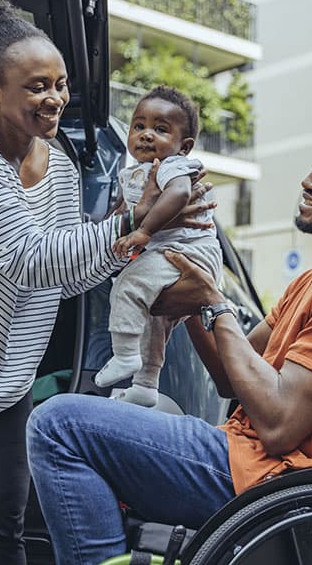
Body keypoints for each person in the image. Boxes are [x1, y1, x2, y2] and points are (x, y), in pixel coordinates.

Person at [27, 123, 312, 564]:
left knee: (58, 425)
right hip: (247, 459)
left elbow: (278, 425)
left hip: (271, 480)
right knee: (133, 409)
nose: (309, 181)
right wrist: (195, 297)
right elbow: (230, 379)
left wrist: (213, 302)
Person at [0, 0, 213, 565]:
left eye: (60, 83)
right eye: (35, 87)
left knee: (0, 533)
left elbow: (72, 269)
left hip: (4, 381)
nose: (53, 97)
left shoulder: (61, 167)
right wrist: (132, 221)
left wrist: (147, 238)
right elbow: (31, 259)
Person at [94, 86, 222, 407]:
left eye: (160, 129)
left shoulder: (173, 166)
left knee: (128, 284)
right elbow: (119, 215)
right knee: (153, 321)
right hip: (170, 254)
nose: (146, 135)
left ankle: (124, 356)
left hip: (188, 254)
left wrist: (144, 231)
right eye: (139, 126)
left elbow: (178, 195)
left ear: (184, 146)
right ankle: (145, 384)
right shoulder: (133, 173)